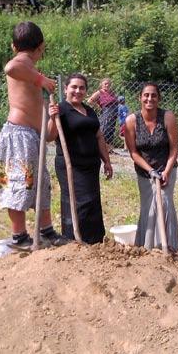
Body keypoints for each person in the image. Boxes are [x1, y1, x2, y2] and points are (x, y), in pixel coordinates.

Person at [0, 21, 66, 249]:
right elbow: (9, 68)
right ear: (40, 47)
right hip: (18, 135)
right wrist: (40, 80)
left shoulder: (30, 68)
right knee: (18, 183)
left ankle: (46, 230)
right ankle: (19, 235)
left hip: (31, 135)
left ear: (13, 45)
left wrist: (50, 122)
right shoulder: (22, 63)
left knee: (40, 183)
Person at [48, 74, 112, 244]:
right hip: (71, 166)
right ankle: (74, 239)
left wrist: (106, 161)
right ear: (66, 89)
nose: (77, 91)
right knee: (78, 202)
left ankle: (94, 240)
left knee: (92, 201)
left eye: (81, 88)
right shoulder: (60, 108)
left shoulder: (89, 110)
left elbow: (99, 136)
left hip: (91, 166)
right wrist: (52, 118)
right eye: (74, 87)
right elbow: (49, 136)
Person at [125, 82, 178, 252]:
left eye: (153, 95)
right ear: (140, 98)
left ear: (159, 98)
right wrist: (150, 170)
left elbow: (174, 149)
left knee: (164, 202)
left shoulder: (167, 117)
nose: (149, 98)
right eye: (146, 95)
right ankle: (147, 246)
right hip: (144, 172)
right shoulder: (131, 121)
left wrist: (166, 172)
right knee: (148, 206)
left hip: (167, 170)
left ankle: (168, 246)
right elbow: (133, 152)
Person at [87, 78, 118, 151]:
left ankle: (109, 149)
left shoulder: (112, 92)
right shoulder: (100, 92)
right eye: (105, 84)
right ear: (101, 84)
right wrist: (98, 106)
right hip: (106, 112)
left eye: (108, 84)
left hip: (113, 113)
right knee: (105, 129)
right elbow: (89, 101)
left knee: (111, 130)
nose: (107, 85)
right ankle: (101, 148)